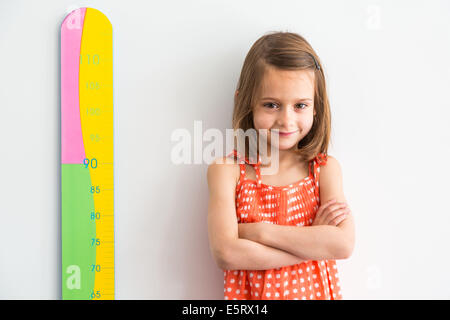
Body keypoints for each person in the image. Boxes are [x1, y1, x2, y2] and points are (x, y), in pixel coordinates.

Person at [207, 31, 355, 300]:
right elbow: (227, 253)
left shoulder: (324, 170)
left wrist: (259, 232)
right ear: (247, 102)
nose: (286, 121)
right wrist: (312, 241)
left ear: (315, 107)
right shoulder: (227, 172)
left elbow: (342, 245)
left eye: (300, 105)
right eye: (271, 105)